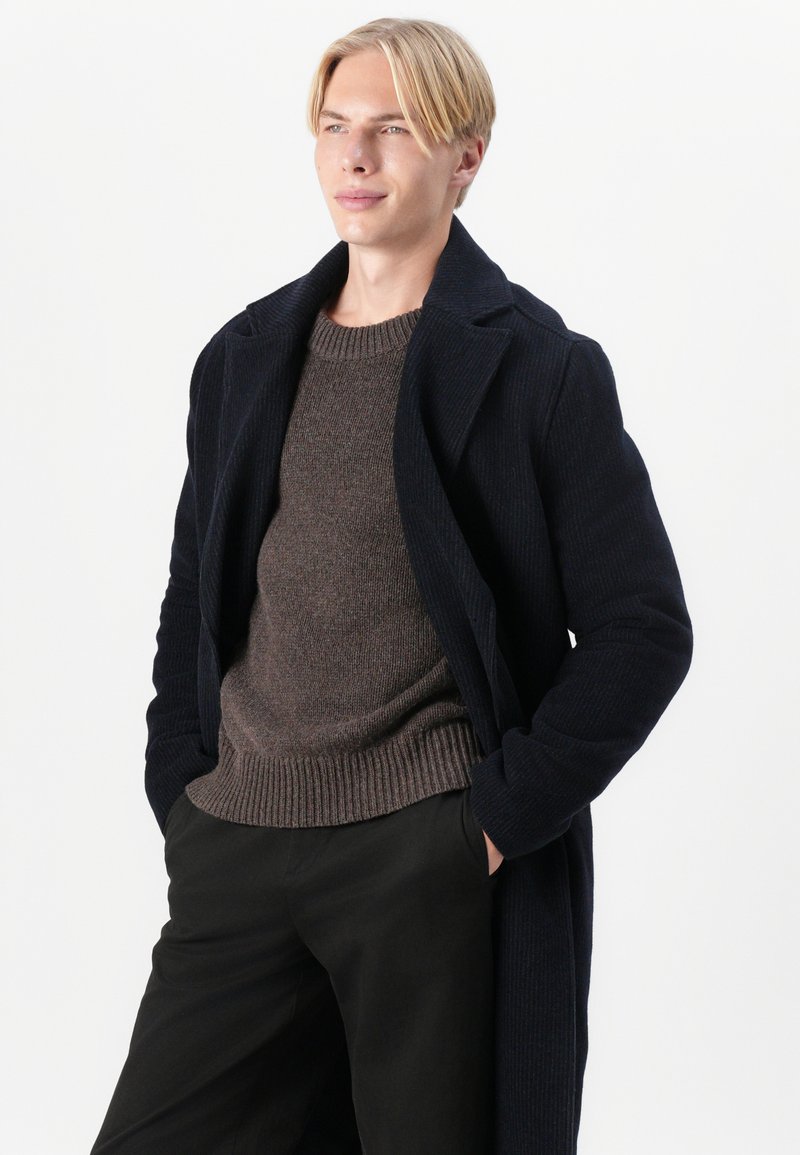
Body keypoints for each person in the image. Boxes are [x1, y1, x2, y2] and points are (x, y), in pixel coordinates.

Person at [90, 16, 693, 1155]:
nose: (355, 157)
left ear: (467, 156)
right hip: (238, 846)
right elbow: (194, 599)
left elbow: (642, 630)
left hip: (422, 861)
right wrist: (184, 793)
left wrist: (489, 826)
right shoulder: (242, 356)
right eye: (334, 127)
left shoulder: (540, 369)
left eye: (394, 129)